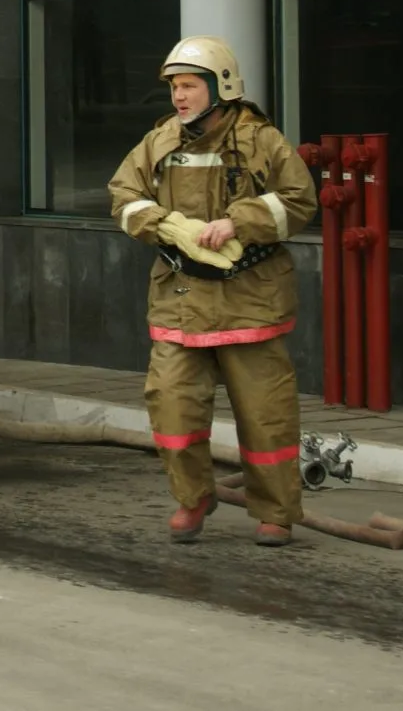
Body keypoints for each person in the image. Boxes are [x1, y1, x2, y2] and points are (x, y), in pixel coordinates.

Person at [106, 36, 317, 546]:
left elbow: (299, 200)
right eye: (174, 88)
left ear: (220, 87)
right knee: (172, 408)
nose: (179, 97)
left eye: (189, 86)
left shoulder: (261, 140)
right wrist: (164, 225)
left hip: (250, 300)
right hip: (180, 300)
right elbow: (123, 196)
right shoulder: (159, 142)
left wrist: (239, 222)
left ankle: (276, 512)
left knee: (266, 416)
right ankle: (193, 497)